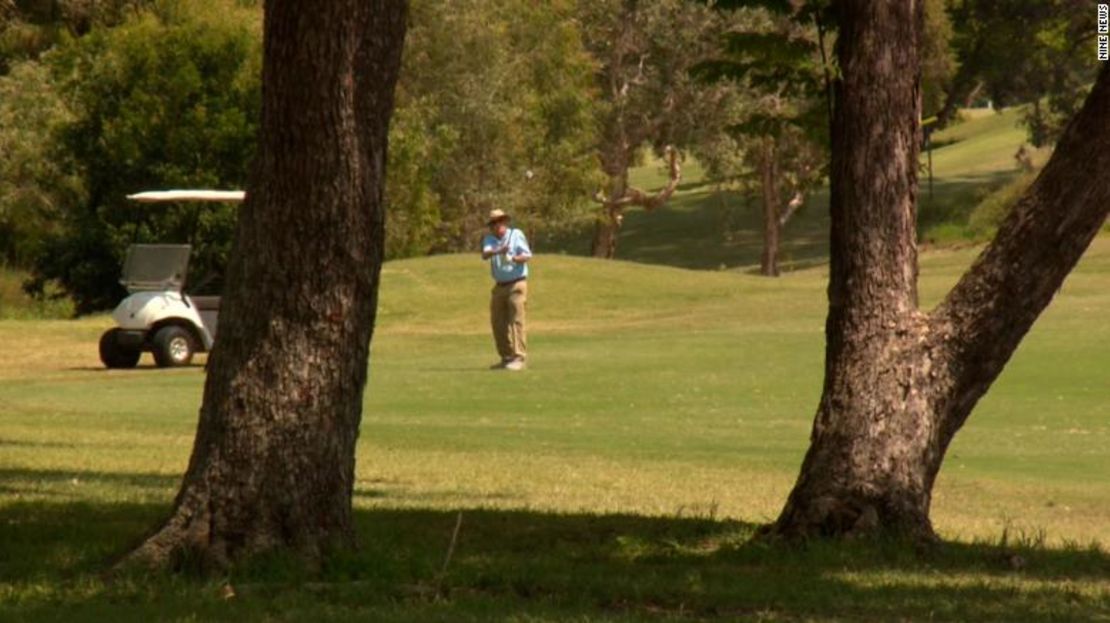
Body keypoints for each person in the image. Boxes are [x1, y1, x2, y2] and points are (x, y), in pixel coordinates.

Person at [481, 208, 532, 370]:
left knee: (516, 320)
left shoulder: (516, 234)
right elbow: (485, 254)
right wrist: (499, 251)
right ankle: (506, 356)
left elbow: (527, 255)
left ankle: (519, 357)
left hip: (517, 283)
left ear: (505, 222)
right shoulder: (489, 239)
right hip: (499, 286)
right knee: (498, 322)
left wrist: (514, 258)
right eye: (493, 223)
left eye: (500, 221)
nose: (497, 226)